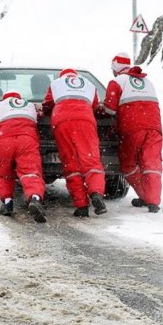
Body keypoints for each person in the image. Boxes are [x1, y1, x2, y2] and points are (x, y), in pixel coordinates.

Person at [41, 69, 107, 217]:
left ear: (62, 76)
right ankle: (96, 193)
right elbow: (95, 106)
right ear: (76, 77)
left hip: (62, 122)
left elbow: (47, 104)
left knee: (71, 164)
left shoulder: (56, 84)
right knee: (90, 161)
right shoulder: (89, 84)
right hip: (85, 120)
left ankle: (81, 206)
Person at [102, 53, 163, 213]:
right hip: (154, 128)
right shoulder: (147, 81)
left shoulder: (117, 82)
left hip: (132, 128)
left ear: (115, 68)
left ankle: (145, 194)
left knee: (129, 163)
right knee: (151, 163)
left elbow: (109, 109)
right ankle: (153, 201)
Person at [0, 90, 47, 223]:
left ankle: (7, 202)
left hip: (4, 139)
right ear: (20, 99)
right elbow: (40, 115)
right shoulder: (29, 105)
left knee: (3, 173)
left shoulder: (0, 106)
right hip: (27, 139)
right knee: (30, 172)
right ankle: (34, 198)